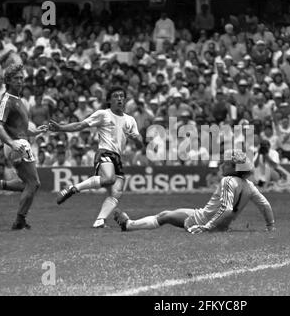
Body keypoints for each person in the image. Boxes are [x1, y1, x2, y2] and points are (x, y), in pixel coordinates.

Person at [113, 150, 276, 233]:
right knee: (168, 214)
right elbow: (265, 205)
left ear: (234, 168)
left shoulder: (228, 181)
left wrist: (207, 226)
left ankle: (128, 225)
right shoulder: (249, 185)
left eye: (226, 163)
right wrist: (270, 227)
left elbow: (225, 209)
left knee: (164, 216)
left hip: (201, 219)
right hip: (221, 225)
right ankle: (128, 224)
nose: (223, 165)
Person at [48, 86, 143, 228]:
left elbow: (141, 145)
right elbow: (80, 125)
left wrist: (136, 139)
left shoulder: (131, 120)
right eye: (116, 96)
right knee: (110, 178)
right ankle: (73, 188)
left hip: (117, 157)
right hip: (104, 153)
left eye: (122, 96)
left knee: (116, 193)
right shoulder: (103, 114)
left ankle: (99, 221)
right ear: (109, 100)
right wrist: (61, 128)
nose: (119, 99)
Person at [0, 63, 48, 230]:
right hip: (17, 145)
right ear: (7, 81)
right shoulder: (7, 100)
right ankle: (19, 220)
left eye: (22, 78)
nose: (20, 81)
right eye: (16, 78)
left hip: (19, 142)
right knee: (34, 184)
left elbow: (21, 129)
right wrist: (12, 143)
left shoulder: (18, 99)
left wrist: (36, 132)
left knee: (27, 184)